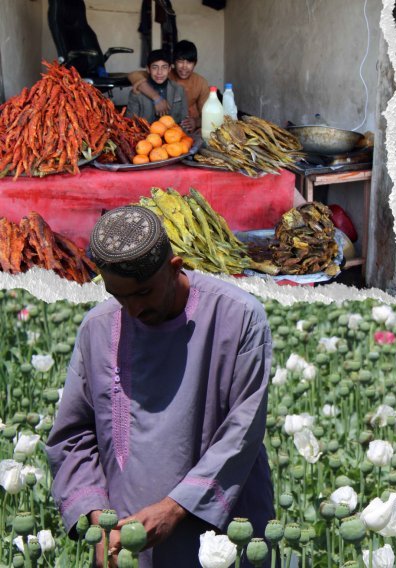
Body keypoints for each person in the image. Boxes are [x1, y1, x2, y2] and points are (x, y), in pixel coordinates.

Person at [45, 205, 275, 567]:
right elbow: (73, 437)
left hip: (222, 537)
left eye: (143, 293)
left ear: (175, 267)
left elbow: (242, 431)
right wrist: (98, 521)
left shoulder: (238, 317)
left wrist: (174, 508)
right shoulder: (98, 328)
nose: (133, 310)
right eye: (119, 296)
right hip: (128, 543)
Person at [127, 40, 210, 133]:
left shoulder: (200, 83)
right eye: (180, 61)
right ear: (173, 63)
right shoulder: (163, 74)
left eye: (189, 62)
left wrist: (196, 122)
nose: (184, 67)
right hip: (152, 131)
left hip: (181, 129)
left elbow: (209, 116)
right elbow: (133, 75)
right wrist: (156, 98)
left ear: (195, 63)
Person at [126, 49, 188, 126]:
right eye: (155, 67)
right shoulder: (137, 93)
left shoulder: (178, 89)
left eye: (164, 67)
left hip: (172, 135)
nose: (159, 72)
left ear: (169, 69)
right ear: (148, 69)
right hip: (146, 136)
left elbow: (184, 121)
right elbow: (130, 124)